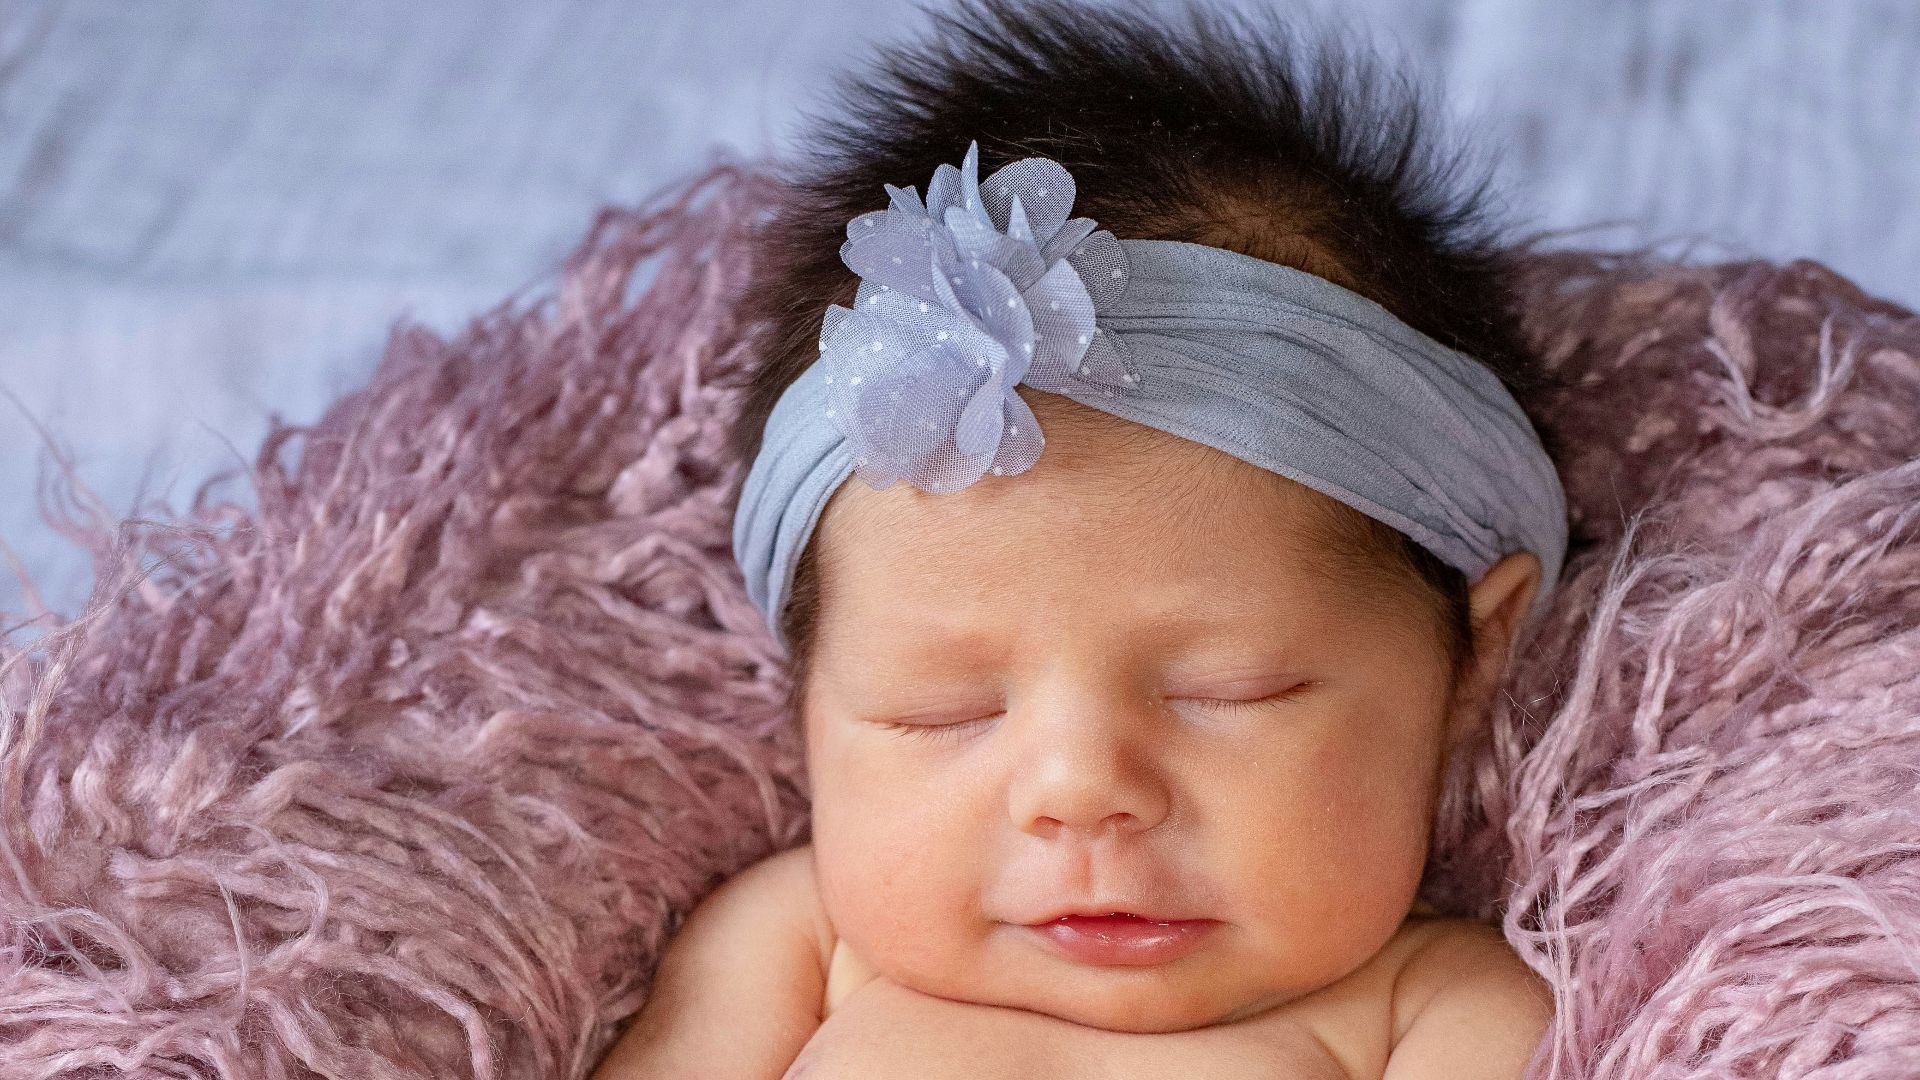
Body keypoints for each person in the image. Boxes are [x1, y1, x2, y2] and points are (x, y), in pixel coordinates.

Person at [598, 0, 1570, 1075]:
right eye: (940, 710)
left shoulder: (1437, 1006)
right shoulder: (796, 945)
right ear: (808, 700)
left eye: (1229, 688)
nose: (1078, 788)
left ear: (1474, 653)